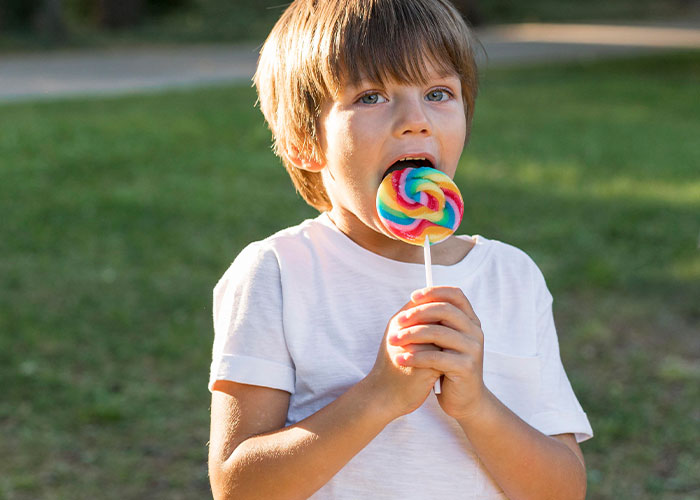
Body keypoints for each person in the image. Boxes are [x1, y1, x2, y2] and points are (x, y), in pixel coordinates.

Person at [207, 0, 593, 498]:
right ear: (307, 140)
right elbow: (238, 488)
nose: (415, 121)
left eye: (438, 93)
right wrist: (379, 397)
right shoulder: (279, 272)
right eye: (371, 96)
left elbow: (562, 490)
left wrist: (476, 406)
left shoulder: (511, 277)